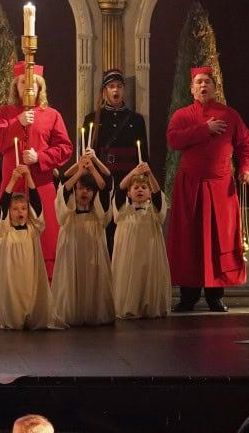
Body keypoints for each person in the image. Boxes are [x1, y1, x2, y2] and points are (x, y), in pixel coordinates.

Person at [166, 66, 249, 312]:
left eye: (207, 82)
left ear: (215, 88)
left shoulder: (230, 115)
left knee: (219, 239)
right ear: (191, 89)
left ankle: (215, 296)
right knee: (190, 241)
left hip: (220, 188)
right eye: (198, 82)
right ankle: (188, 296)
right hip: (190, 187)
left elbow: (246, 143)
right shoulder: (181, 115)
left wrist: (247, 168)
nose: (203, 86)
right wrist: (204, 130)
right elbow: (173, 140)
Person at [0, 62, 75, 277]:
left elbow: (65, 148)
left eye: (33, 83)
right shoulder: (3, 113)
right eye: (22, 83)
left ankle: (46, 284)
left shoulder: (52, 115)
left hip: (41, 185)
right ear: (15, 86)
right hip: (12, 184)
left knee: (46, 239)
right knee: (6, 235)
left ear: (40, 87)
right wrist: (17, 122)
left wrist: (40, 157)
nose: (28, 87)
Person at [83, 69, 148, 251]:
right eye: (111, 86)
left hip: (129, 179)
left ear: (124, 89)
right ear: (105, 91)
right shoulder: (92, 119)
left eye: (119, 86)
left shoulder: (136, 120)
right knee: (104, 224)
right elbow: (86, 155)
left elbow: (143, 154)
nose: (115, 90)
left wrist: (144, 181)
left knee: (126, 225)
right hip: (103, 179)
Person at [51, 157, 114, 326]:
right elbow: (64, 187)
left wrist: (92, 168)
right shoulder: (68, 212)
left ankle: (91, 312)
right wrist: (79, 170)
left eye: (88, 189)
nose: (84, 192)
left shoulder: (97, 214)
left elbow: (105, 187)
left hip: (93, 248)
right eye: (80, 188)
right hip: (71, 246)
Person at [0, 164, 53, 330]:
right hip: (11, 279)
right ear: (9, 212)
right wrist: (13, 179)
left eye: (23, 208)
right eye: (14, 209)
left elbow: (37, 204)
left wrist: (28, 177)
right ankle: (13, 318)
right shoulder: (4, 230)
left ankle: (30, 316)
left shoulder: (33, 229)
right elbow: (2, 206)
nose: (20, 212)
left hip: (29, 277)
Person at [113, 165, 171, 319]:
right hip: (129, 255)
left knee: (147, 278)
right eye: (136, 187)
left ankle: (149, 306)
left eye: (144, 188)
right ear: (129, 193)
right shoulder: (123, 211)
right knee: (129, 278)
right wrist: (133, 172)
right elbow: (120, 189)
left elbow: (158, 194)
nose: (140, 190)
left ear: (149, 192)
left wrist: (149, 173)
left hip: (149, 253)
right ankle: (130, 307)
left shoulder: (154, 212)